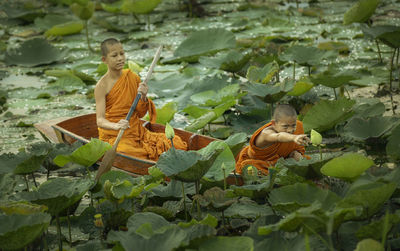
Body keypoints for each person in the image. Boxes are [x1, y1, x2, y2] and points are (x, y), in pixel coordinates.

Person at [94, 38, 187, 161]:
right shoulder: (101, 86)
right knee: (128, 153)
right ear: (104, 60)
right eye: (114, 55)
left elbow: (141, 113)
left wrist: (143, 97)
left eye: (122, 54)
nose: (120, 58)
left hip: (137, 132)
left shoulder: (132, 78)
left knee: (176, 143)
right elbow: (100, 120)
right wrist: (116, 126)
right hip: (115, 136)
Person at [235, 104, 310, 175]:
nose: (290, 130)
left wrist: (295, 153)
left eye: (293, 125)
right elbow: (279, 136)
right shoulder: (266, 134)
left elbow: (296, 148)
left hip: (281, 161)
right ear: (274, 123)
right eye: (285, 126)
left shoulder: (298, 125)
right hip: (261, 163)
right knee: (248, 167)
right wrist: (294, 137)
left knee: (309, 161)